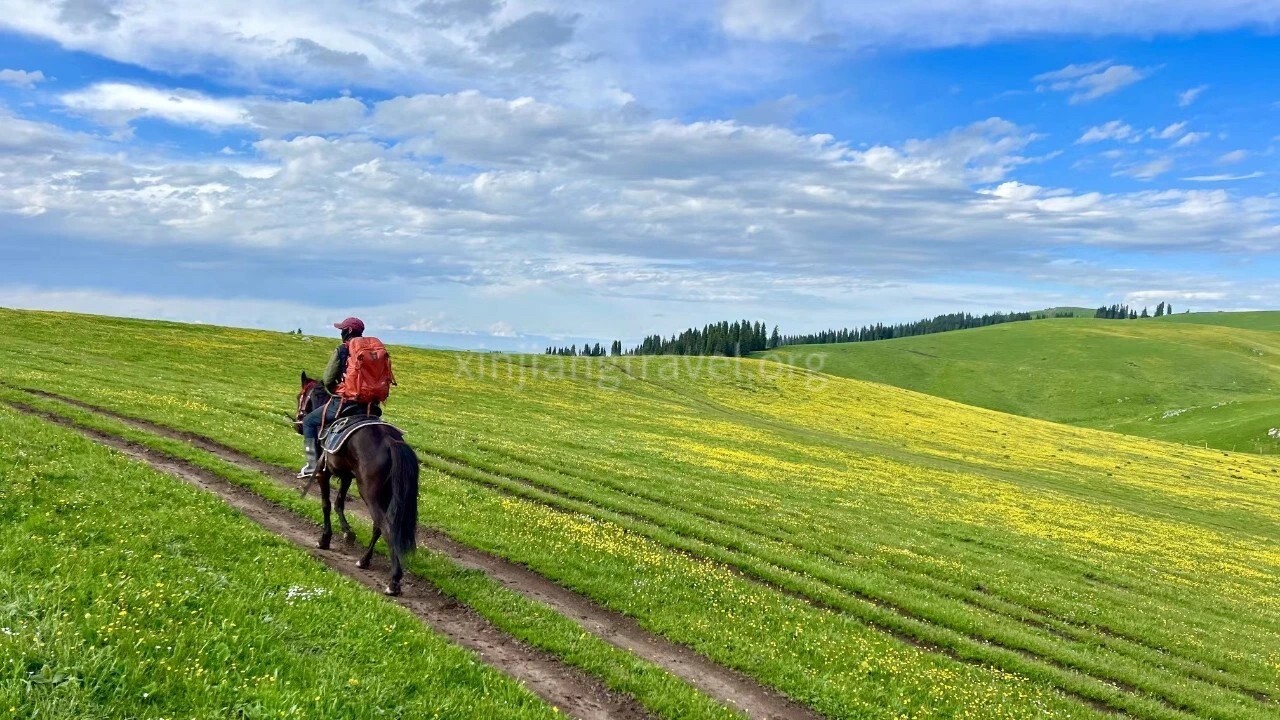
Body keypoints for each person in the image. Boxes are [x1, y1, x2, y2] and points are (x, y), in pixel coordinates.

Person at [298, 317, 384, 478]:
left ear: (349, 331)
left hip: (346, 403)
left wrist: (335, 391)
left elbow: (328, 379)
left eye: (342, 330)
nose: (341, 333)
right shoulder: (374, 352)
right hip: (371, 406)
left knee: (309, 421)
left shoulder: (343, 349)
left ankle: (311, 464)